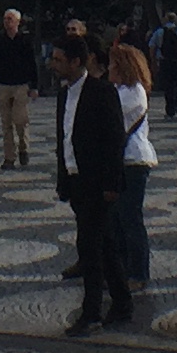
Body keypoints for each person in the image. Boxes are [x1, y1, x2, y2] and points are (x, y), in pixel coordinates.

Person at [49, 33, 133, 335]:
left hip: (98, 182)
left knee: (90, 247)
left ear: (76, 62)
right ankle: (123, 301)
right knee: (105, 244)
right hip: (75, 180)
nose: (54, 65)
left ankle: (92, 313)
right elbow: (65, 139)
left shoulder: (101, 92)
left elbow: (114, 140)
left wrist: (112, 183)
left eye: (59, 60)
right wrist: (63, 180)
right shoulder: (63, 95)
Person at [107, 38, 158, 292]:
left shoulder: (133, 92)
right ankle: (123, 270)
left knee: (130, 218)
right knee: (116, 219)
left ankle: (138, 272)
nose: (108, 70)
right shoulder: (120, 91)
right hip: (122, 160)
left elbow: (113, 121)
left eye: (112, 65)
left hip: (134, 159)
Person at [0, 9, 37, 171]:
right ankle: (9, 157)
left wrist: (34, 86)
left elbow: (32, 63)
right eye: (5, 19)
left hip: (21, 84)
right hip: (3, 84)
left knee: (20, 120)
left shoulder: (25, 40)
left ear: (17, 22)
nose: (7, 22)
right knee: (6, 123)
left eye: (10, 19)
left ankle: (24, 147)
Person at [153, 13, 177, 122]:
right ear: (176, 20)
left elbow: (152, 46)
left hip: (165, 61)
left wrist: (154, 60)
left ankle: (170, 110)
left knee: (168, 86)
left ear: (165, 19)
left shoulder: (159, 32)